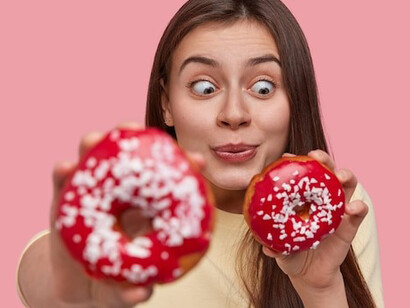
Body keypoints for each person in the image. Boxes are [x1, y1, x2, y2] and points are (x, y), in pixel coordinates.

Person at [17, 0, 384, 307]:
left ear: (295, 98)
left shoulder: (337, 213)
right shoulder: (128, 222)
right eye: (205, 88)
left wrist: (321, 290)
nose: (234, 114)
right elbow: (45, 272)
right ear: (167, 104)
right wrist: (79, 287)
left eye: (263, 86)